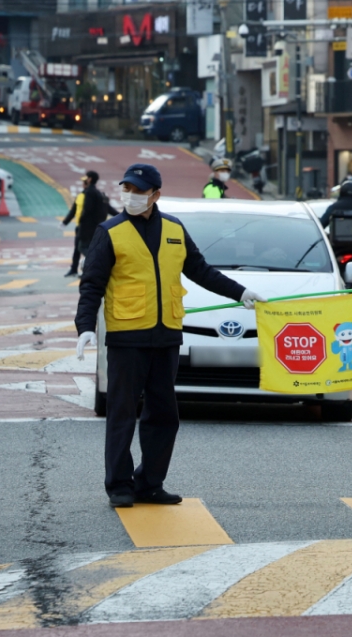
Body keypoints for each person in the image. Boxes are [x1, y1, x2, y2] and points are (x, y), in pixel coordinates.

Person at [74, 163, 265, 508]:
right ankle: (119, 484)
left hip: (166, 338)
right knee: (121, 413)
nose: (130, 195)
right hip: (127, 338)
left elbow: (200, 271)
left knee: (164, 415)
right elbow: (92, 285)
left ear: (155, 195)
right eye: (127, 189)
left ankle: (149, 483)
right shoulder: (110, 231)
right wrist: (85, 326)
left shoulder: (175, 230)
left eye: (138, 190)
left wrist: (240, 293)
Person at [63, 171, 117, 277]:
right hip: (92, 226)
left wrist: (81, 221)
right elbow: (109, 209)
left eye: (85, 180)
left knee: (83, 247)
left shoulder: (89, 193)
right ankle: (76, 268)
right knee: (80, 248)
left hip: (86, 226)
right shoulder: (96, 194)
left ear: (89, 180)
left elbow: (87, 210)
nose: (83, 183)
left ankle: (96, 266)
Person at [62, 177, 88, 276]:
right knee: (77, 248)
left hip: (88, 227)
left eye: (85, 183)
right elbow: (73, 210)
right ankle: (74, 269)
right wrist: (65, 222)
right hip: (79, 226)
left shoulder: (92, 196)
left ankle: (89, 267)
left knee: (83, 248)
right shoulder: (80, 196)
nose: (84, 184)